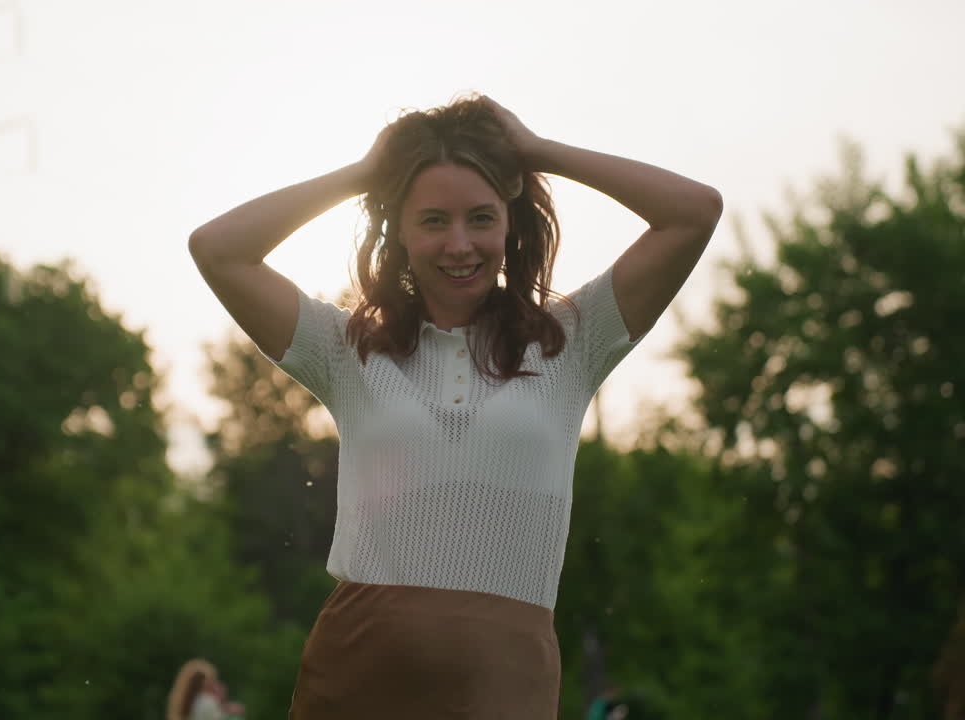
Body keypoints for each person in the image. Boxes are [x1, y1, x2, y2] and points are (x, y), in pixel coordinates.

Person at [188, 93, 721, 719]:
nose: (459, 244)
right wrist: (366, 171)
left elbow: (694, 212)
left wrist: (538, 150)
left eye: (480, 217)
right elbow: (217, 249)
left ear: (510, 222)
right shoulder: (346, 349)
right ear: (401, 231)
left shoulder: (573, 339)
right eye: (434, 220)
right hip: (359, 672)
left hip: (507, 679)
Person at [166, 658, 246, 720]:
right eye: (213, 680)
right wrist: (232, 713)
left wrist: (225, 708)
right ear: (205, 682)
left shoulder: (194, 701)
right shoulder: (207, 701)